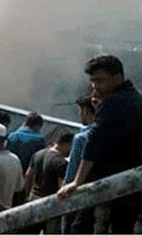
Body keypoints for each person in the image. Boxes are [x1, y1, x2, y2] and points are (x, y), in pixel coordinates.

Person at [57, 55, 142, 234]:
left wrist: (76, 182)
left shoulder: (111, 104)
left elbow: (94, 145)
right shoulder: (138, 100)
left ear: (117, 78)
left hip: (112, 188)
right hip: (134, 187)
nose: (95, 86)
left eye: (100, 80)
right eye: (93, 81)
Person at [25, 133, 72, 234]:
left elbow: (28, 175)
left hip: (33, 199)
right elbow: (62, 186)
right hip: (51, 203)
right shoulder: (61, 163)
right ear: (66, 144)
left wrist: (27, 196)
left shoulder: (38, 154)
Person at [62, 98, 95, 234]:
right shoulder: (111, 132)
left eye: (81, 111)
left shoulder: (82, 137)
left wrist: (65, 187)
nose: (80, 114)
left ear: (87, 111)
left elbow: (72, 171)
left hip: (79, 197)